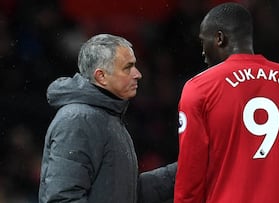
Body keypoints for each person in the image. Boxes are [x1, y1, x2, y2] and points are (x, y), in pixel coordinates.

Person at [174, 2, 279, 203]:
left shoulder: (199, 89)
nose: (203, 53)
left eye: (203, 42)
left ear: (219, 38)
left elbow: (190, 178)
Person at [38, 34, 177, 203]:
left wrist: (180, 172)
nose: (138, 74)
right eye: (128, 67)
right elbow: (62, 199)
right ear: (101, 76)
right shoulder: (77, 120)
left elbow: (125, 194)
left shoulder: (105, 115)